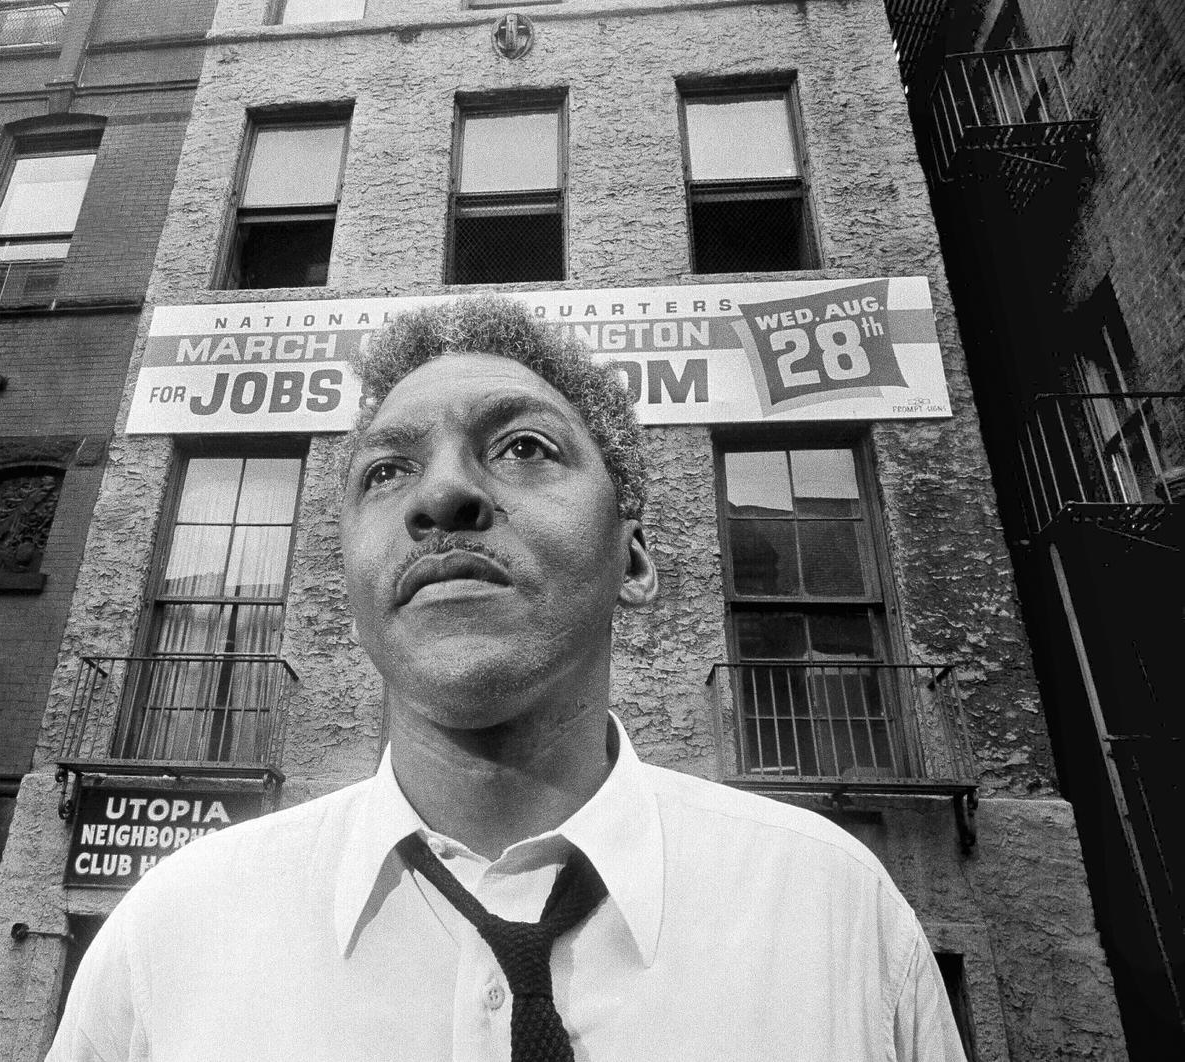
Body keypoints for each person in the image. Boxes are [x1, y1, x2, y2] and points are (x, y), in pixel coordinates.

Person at [48, 296, 968, 1061]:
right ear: (349, 589)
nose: (439, 497)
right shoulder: (167, 936)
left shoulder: (838, 916)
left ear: (635, 557)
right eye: (387, 470)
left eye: (525, 447)